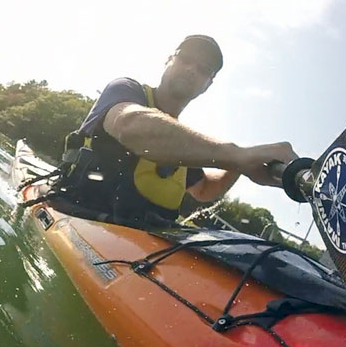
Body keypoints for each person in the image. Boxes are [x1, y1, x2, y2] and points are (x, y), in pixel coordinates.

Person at [66, 34, 296, 225]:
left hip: (142, 252)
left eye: (204, 69)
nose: (191, 69)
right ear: (169, 60)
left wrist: (241, 165)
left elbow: (204, 190)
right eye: (185, 59)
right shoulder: (125, 89)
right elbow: (129, 125)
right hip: (76, 219)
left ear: (208, 84)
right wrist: (237, 155)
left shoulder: (184, 145)